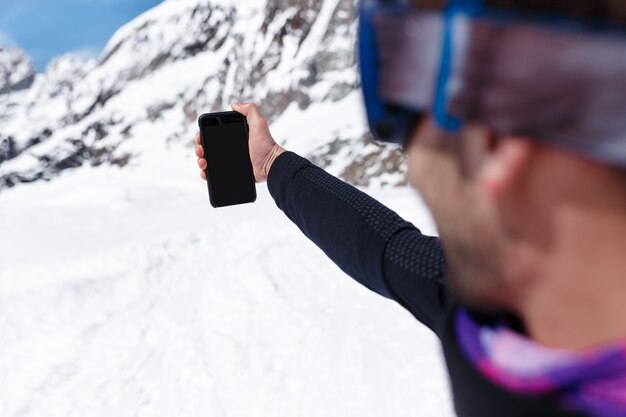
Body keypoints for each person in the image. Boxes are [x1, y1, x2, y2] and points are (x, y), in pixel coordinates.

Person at [195, 1, 626, 415]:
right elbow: (382, 247)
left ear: (491, 142)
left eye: (402, 112)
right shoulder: (491, 310)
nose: (410, 161)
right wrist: (271, 162)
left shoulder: (484, 313)